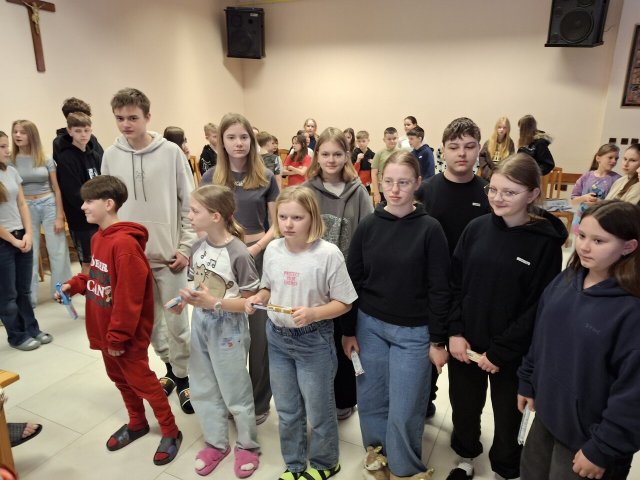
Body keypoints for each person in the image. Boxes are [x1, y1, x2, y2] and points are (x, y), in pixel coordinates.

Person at [445, 153, 567, 480]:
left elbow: (538, 306)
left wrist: (501, 352)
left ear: (533, 194)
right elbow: (454, 284)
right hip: (466, 344)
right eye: (493, 190)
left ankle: (505, 468)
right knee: (464, 406)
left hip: (511, 353)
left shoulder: (544, 244)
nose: (498, 198)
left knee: (508, 416)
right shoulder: (475, 229)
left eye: (509, 192)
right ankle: (466, 456)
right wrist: (454, 332)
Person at [56, 175, 183, 465]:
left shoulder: (125, 245)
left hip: (125, 336)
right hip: (106, 332)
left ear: (109, 204)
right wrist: (74, 285)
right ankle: (137, 422)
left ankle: (170, 431)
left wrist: (118, 338)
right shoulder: (98, 238)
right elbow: (97, 275)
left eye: (89, 201)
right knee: (120, 380)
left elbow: (129, 298)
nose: (83, 206)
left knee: (145, 384)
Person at [343, 151, 450, 480]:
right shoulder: (369, 226)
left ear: (417, 183)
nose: (394, 189)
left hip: (414, 332)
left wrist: (438, 340)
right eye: (388, 181)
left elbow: (440, 288)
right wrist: (348, 331)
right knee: (371, 398)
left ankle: (405, 468)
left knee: (405, 406)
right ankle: (376, 454)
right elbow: (352, 280)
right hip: (370, 326)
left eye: (403, 182)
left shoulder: (430, 229)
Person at [518, 200, 640, 480]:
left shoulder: (631, 310)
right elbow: (542, 334)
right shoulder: (568, 278)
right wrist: (528, 379)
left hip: (589, 439)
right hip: (548, 415)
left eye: (598, 241)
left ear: (629, 247)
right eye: (581, 235)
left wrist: (603, 448)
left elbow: (634, 393)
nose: (583, 246)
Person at [245, 185, 357, 480]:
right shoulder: (273, 249)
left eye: (297, 217)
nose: (288, 224)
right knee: (287, 408)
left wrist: (314, 313)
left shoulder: (328, 254)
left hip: (313, 341)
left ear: (312, 218)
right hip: (277, 338)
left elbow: (345, 302)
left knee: (319, 409)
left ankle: (326, 462)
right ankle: (294, 464)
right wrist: (259, 297)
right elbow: (268, 286)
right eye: (283, 217)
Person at [101, 88, 197, 415]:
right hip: (131, 260)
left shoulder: (170, 153)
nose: (126, 124)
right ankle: (170, 368)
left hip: (170, 258)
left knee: (177, 322)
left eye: (133, 117)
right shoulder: (111, 155)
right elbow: (107, 209)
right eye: (119, 118)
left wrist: (185, 247)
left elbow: (189, 203)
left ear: (147, 117)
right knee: (151, 324)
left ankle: (185, 377)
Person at [173, 184, 260, 477]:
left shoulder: (238, 252)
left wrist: (216, 303)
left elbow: (250, 302)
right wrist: (184, 299)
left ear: (215, 216)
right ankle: (216, 443)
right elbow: (199, 286)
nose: (189, 216)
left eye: (195, 211)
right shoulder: (197, 247)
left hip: (229, 330)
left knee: (235, 390)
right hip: (200, 324)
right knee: (202, 386)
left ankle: (247, 445)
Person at [201, 113, 280, 425]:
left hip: (257, 256)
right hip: (222, 262)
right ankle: (232, 398)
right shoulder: (211, 177)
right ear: (221, 141)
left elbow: (276, 225)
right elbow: (203, 221)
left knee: (259, 336)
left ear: (252, 140)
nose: (238, 143)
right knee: (226, 334)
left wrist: (255, 249)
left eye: (244, 137)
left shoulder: (266, 177)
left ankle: (259, 401)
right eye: (231, 137)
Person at [415, 117, 491, 418]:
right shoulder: (426, 191)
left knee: (464, 373)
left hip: (470, 294)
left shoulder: (488, 193)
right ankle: (425, 402)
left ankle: (464, 428)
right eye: (454, 146)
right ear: (442, 150)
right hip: (430, 290)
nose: (462, 153)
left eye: (469, 146)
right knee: (425, 362)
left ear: (479, 149)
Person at [304, 127, 373, 421]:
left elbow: (370, 233)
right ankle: (317, 398)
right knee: (317, 343)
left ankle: (345, 400)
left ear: (347, 156)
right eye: (325, 154)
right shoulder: (307, 191)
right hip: (315, 281)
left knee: (345, 339)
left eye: (337, 154)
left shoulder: (358, 192)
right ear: (317, 156)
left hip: (348, 281)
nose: (331, 160)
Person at [0, 130, 52, 351]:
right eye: (2, 147)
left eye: (6, 145)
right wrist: (13, 241)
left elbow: (22, 204)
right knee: (8, 294)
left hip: (21, 234)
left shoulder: (11, 171)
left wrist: (29, 233)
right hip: (4, 241)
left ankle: (32, 329)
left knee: (24, 290)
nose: (8, 150)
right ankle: (17, 336)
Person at [11, 120, 72, 306]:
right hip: (26, 207)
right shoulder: (11, 161)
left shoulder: (45, 158)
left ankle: (61, 292)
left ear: (32, 135)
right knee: (29, 250)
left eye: (22, 132)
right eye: (15, 131)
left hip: (49, 204)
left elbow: (57, 188)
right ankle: (28, 298)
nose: (18, 135)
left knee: (58, 250)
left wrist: (60, 216)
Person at [55, 112, 102, 275]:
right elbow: (73, 193)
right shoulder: (65, 158)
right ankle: (87, 290)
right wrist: (93, 207)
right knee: (88, 262)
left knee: (101, 260)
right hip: (81, 219)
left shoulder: (94, 155)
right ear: (70, 131)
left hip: (99, 216)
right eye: (78, 131)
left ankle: (100, 290)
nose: (83, 135)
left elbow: (102, 182)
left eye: (86, 130)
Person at [52, 97, 104, 162]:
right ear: (70, 117)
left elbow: (102, 161)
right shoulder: (59, 142)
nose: (84, 135)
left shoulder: (91, 138)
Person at [370, 127, 401, 206]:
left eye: (394, 138)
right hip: (383, 191)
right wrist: (376, 193)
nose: (392, 141)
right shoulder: (379, 154)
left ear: (398, 138)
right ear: (384, 140)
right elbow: (374, 174)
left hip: (398, 190)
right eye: (389, 139)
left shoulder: (402, 153)